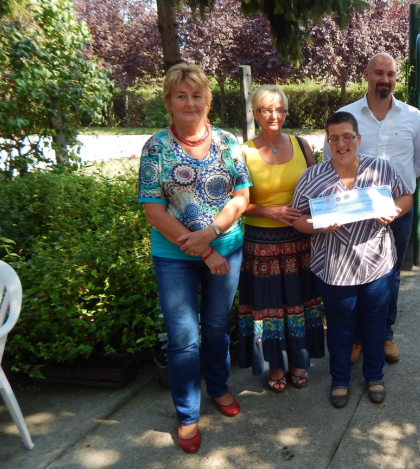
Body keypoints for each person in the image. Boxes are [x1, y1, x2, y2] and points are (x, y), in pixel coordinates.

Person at [138, 63, 251, 453]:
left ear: (208, 100)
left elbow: (242, 196)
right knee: (184, 338)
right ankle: (187, 413)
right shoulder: (155, 147)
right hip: (175, 257)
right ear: (169, 101)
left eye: (196, 95)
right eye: (181, 96)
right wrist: (203, 250)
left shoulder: (227, 141)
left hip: (226, 247)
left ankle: (218, 387)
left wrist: (212, 235)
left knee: (217, 326)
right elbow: (154, 211)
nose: (190, 102)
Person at [292, 111, 413, 408]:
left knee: (374, 323)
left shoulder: (380, 168)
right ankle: (340, 380)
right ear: (327, 142)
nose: (341, 144)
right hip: (334, 266)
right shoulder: (312, 176)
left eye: (347, 137)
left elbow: (405, 196)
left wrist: (394, 211)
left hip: (376, 263)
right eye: (334, 138)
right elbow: (297, 219)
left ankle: (375, 376)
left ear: (358, 138)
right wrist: (318, 225)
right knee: (340, 326)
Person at [323, 53, 420, 365]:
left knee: (390, 276)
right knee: (354, 274)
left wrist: (397, 193)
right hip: (356, 212)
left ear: (396, 78)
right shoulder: (347, 115)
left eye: (391, 74)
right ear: (366, 75)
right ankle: (357, 338)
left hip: (398, 210)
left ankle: (384, 334)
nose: (385, 79)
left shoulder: (413, 117)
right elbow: (333, 158)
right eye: (379, 73)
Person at [237, 85, 325, 393]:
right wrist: (269, 211)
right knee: (268, 305)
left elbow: (318, 188)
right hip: (261, 243)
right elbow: (237, 203)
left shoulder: (301, 145)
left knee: (299, 300)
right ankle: (275, 365)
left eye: (279, 109)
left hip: (300, 239)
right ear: (255, 113)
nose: (273, 116)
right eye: (266, 110)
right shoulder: (244, 151)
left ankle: (299, 361)